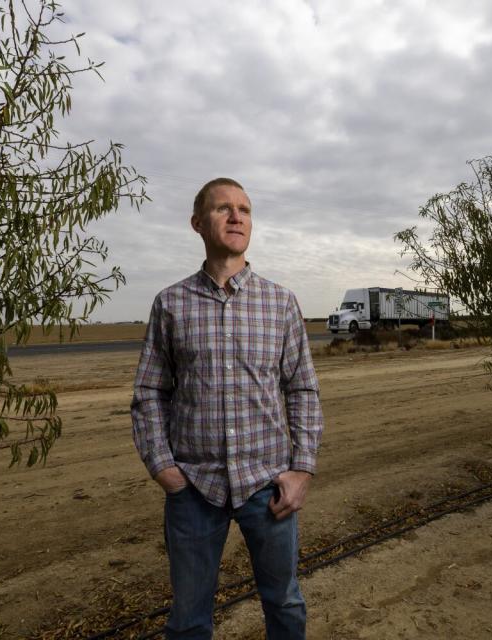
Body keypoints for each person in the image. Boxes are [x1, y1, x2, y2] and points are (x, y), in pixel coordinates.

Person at [131, 177, 324, 639]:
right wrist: (164, 469)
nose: (237, 216)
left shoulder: (280, 303)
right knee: (189, 620)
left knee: (285, 605)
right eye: (223, 208)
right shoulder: (171, 304)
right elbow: (149, 393)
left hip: (268, 485)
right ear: (198, 223)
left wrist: (302, 470)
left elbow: (302, 390)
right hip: (195, 488)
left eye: (245, 209)